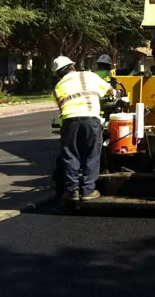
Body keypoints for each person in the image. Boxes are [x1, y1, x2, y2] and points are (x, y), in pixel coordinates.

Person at [51, 56, 114, 203]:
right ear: (73, 65)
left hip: (68, 123)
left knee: (70, 155)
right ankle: (87, 191)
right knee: (91, 154)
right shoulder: (89, 76)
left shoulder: (57, 88)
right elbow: (110, 90)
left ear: (59, 73)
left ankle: (72, 191)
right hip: (90, 120)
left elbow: (60, 102)